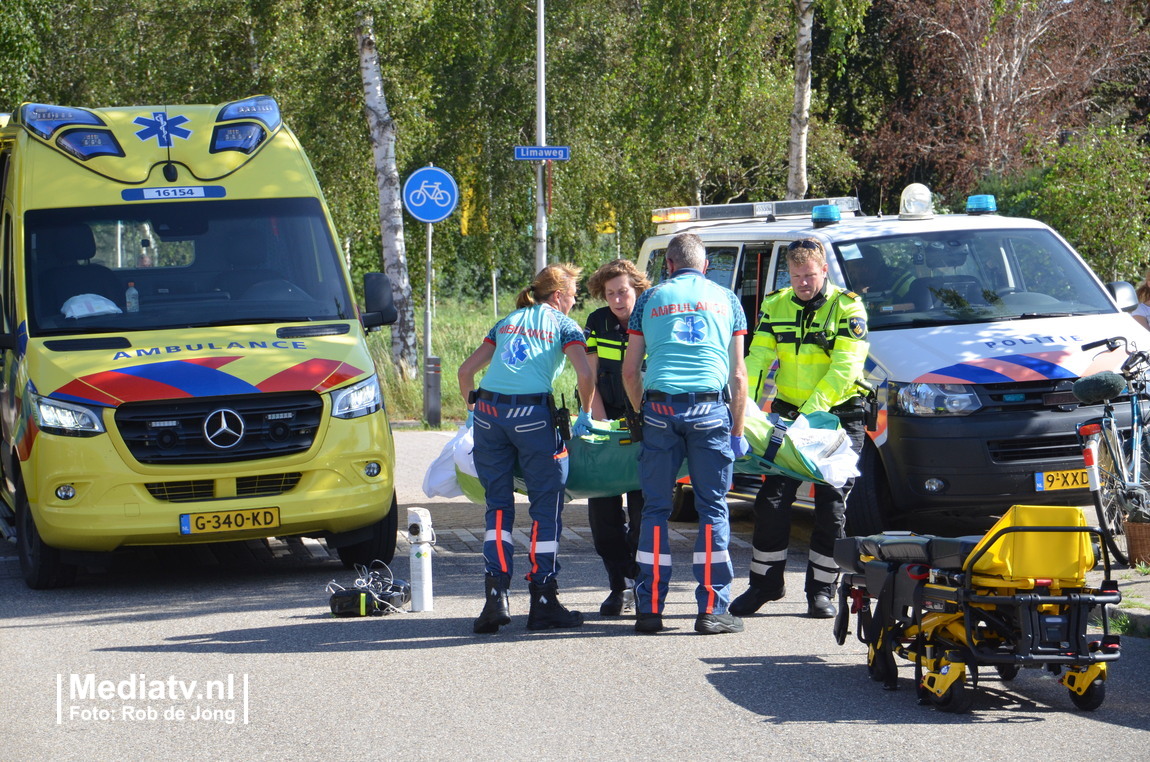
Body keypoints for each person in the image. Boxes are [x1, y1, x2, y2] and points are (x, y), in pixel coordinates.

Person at [729, 237, 869, 620]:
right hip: (789, 418)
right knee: (771, 502)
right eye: (796, 276)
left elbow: (846, 369)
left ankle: (821, 591)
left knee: (830, 507)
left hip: (838, 418)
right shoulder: (776, 305)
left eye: (809, 275)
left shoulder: (848, 307)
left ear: (824, 270)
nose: (803, 283)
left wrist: (810, 414)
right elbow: (756, 360)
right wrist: (745, 408)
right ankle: (765, 585)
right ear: (787, 274)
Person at [458, 263, 596, 634]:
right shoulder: (565, 325)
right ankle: (544, 599)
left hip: (488, 414)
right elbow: (585, 373)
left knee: (497, 507)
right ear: (557, 296)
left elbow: (465, 372)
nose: (575, 301)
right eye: (573, 295)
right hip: (532, 416)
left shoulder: (505, 322)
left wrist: (473, 412)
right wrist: (585, 414)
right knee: (546, 507)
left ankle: (495, 598)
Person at [622, 232, 749, 635]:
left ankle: (649, 610)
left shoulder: (649, 299)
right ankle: (712, 610)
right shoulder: (728, 299)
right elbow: (740, 375)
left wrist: (646, 409)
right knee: (712, 508)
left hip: (660, 407)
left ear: (670, 265)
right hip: (710, 410)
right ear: (706, 266)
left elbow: (630, 371)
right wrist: (737, 431)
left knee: (655, 509)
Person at [582, 259, 651, 616]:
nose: (617, 300)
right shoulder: (597, 322)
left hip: (646, 429)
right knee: (603, 518)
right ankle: (618, 584)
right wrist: (599, 420)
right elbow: (589, 377)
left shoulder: (654, 317)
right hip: (607, 427)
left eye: (622, 291)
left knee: (643, 517)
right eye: (610, 294)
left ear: (637, 288)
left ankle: (640, 584)